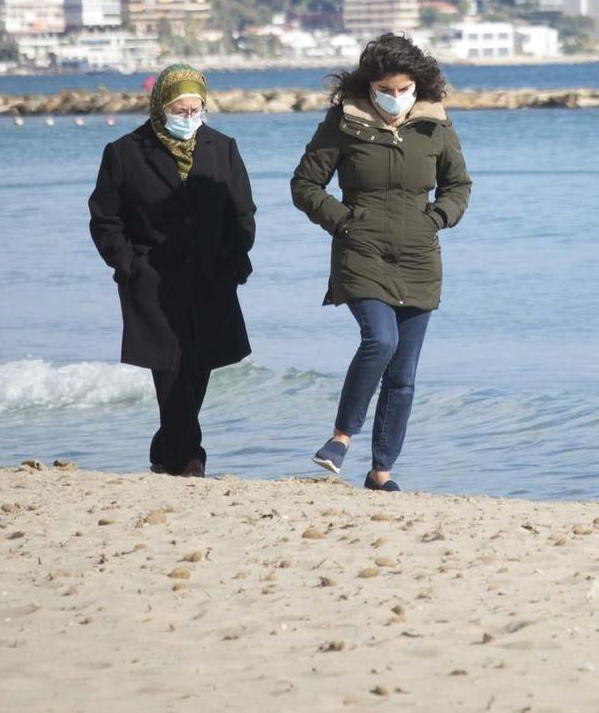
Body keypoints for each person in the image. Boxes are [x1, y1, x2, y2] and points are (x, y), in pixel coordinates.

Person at [292, 34, 471, 491]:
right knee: (380, 340)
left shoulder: (435, 125)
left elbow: (459, 185)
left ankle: (381, 472)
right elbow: (305, 185)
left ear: (417, 86)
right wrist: (344, 222)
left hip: (419, 258)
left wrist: (437, 218)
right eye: (386, 89)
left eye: (403, 88)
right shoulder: (343, 122)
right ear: (369, 87)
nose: (395, 97)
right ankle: (339, 439)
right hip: (361, 252)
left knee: (404, 376)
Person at [88, 64, 256, 477]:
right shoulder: (125, 152)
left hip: (211, 279)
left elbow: (242, 211)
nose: (188, 118)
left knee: (198, 368)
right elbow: (105, 219)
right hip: (152, 281)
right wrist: (129, 264)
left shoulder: (223, 148)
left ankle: (165, 448)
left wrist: (235, 259)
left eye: (195, 109)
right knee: (170, 369)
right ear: (160, 106)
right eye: (179, 110)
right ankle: (189, 459)